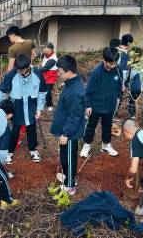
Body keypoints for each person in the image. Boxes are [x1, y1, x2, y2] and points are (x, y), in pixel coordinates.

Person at [0, 54, 47, 163]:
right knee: (15, 130)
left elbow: (42, 92)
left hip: (30, 103)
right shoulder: (13, 74)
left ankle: (33, 150)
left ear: (28, 67)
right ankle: (9, 152)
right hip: (17, 104)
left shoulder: (37, 74)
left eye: (21, 69)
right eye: (17, 69)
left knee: (31, 128)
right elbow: (1, 89)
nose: (19, 71)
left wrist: (39, 108)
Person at [50, 55, 86, 195]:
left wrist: (65, 133)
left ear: (69, 72)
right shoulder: (71, 83)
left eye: (60, 72)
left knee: (69, 157)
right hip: (66, 129)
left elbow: (75, 115)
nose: (58, 74)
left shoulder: (75, 91)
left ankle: (70, 185)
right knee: (65, 156)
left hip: (70, 132)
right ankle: (67, 176)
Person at [80, 47, 122, 158]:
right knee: (91, 126)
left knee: (107, 126)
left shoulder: (118, 70)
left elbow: (119, 86)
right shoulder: (96, 73)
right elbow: (88, 91)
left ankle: (106, 145)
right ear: (104, 60)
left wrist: (118, 98)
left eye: (115, 63)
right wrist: (88, 105)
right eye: (111, 63)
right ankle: (87, 144)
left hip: (110, 104)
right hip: (96, 105)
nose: (113, 66)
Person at [40, 42, 58, 111]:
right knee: (42, 90)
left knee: (47, 91)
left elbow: (44, 68)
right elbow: (41, 55)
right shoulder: (46, 54)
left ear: (50, 49)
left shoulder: (53, 59)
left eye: (44, 48)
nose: (43, 49)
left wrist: (35, 69)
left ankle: (50, 105)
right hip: (44, 76)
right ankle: (44, 102)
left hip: (51, 77)